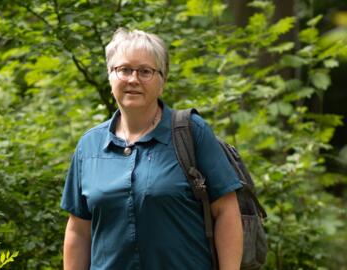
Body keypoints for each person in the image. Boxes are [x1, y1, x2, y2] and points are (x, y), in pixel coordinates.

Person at [61, 28, 243, 270]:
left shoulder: (191, 132)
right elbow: (78, 230)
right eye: (124, 69)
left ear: (163, 80)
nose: (133, 79)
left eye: (145, 71)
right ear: (110, 76)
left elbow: (227, 211)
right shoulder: (89, 145)